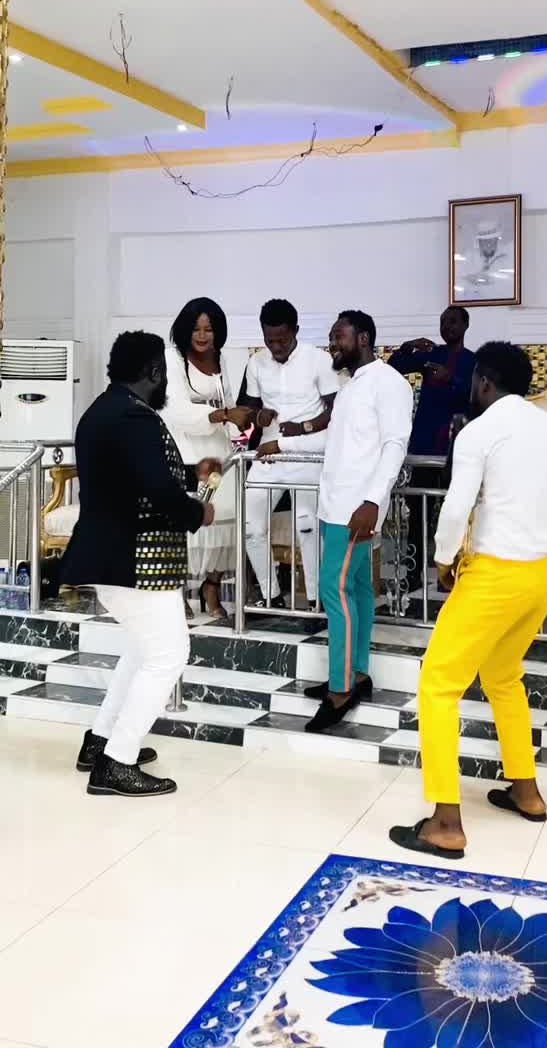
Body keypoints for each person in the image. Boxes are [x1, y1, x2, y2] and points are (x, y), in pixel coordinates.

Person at [389, 342, 547, 858]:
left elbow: (455, 507)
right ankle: (526, 791)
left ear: (484, 381)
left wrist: (444, 560)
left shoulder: (480, 431)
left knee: (438, 684)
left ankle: (445, 822)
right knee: (503, 676)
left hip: (497, 574)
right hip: (545, 573)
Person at [60, 331, 219, 798]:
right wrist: (199, 512)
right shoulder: (135, 417)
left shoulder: (102, 411)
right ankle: (116, 763)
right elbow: (158, 490)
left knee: (142, 651)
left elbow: (135, 474)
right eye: (164, 372)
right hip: (135, 562)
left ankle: (101, 742)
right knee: (170, 654)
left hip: (115, 558)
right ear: (153, 371)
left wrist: (192, 473)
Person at [305, 310, 413, 733]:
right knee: (359, 590)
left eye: (340, 335)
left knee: (334, 590)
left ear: (364, 338)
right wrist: (284, 440)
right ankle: (356, 673)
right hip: (336, 505)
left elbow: (395, 444)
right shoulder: (351, 385)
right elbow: (337, 442)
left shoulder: (389, 383)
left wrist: (372, 501)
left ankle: (340, 690)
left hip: (355, 509)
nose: (333, 343)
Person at [242, 298, 339, 609]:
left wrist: (304, 427)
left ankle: (315, 600)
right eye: (269, 340)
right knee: (251, 527)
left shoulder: (319, 360)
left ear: (296, 330)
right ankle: (271, 597)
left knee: (306, 525)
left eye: (282, 340)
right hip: (268, 454)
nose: (276, 347)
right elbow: (251, 410)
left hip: (306, 453)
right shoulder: (256, 363)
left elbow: (335, 410)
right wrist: (259, 417)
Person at [163, 298, 251, 622]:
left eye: (209, 329)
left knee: (225, 519)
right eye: (196, 329)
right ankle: (176, 593)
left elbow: (228, 402)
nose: (202, 336)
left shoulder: (220, 359)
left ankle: (210, 587)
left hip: (218, 457)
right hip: (186, 456)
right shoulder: (172, 359)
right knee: (188, 526)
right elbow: (176, 411)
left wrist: (241, 418)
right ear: (185, 330)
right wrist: (224, 414)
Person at [389, 307, 474, 589]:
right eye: (443, 322)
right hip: (425, 445)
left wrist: (451, 379)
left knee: (455, 510)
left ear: (465, 325)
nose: (447, 326)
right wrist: (409, 346)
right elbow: (394, 367)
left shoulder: (473, 361)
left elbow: (475, 397)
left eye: (453, 322)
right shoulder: (431, 355)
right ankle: (413, 575)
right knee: (419, 511)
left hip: (455, 447)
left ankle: (451, 574)